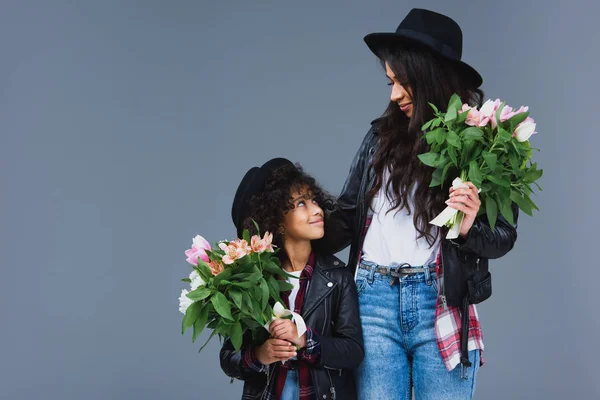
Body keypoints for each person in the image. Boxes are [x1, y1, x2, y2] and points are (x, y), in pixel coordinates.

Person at [321, 9, 519, 400]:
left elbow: (503, 236)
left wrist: (467, 225)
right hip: (372, 300)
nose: (394, 94)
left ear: (433, 78)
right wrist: (288, 236)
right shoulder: (379, 138)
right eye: (391, 82)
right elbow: (346, 216)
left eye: (404, 82)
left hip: (440, 302)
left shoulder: (485, 143)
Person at [220, 158, 364, 400]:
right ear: (277, 221)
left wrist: (306, 339)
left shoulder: (339, 277)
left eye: (314, 200)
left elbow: (353, 351)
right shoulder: (254, 281)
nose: (317, 209)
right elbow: (228, 357)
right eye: (301, 204)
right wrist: (260, 355)